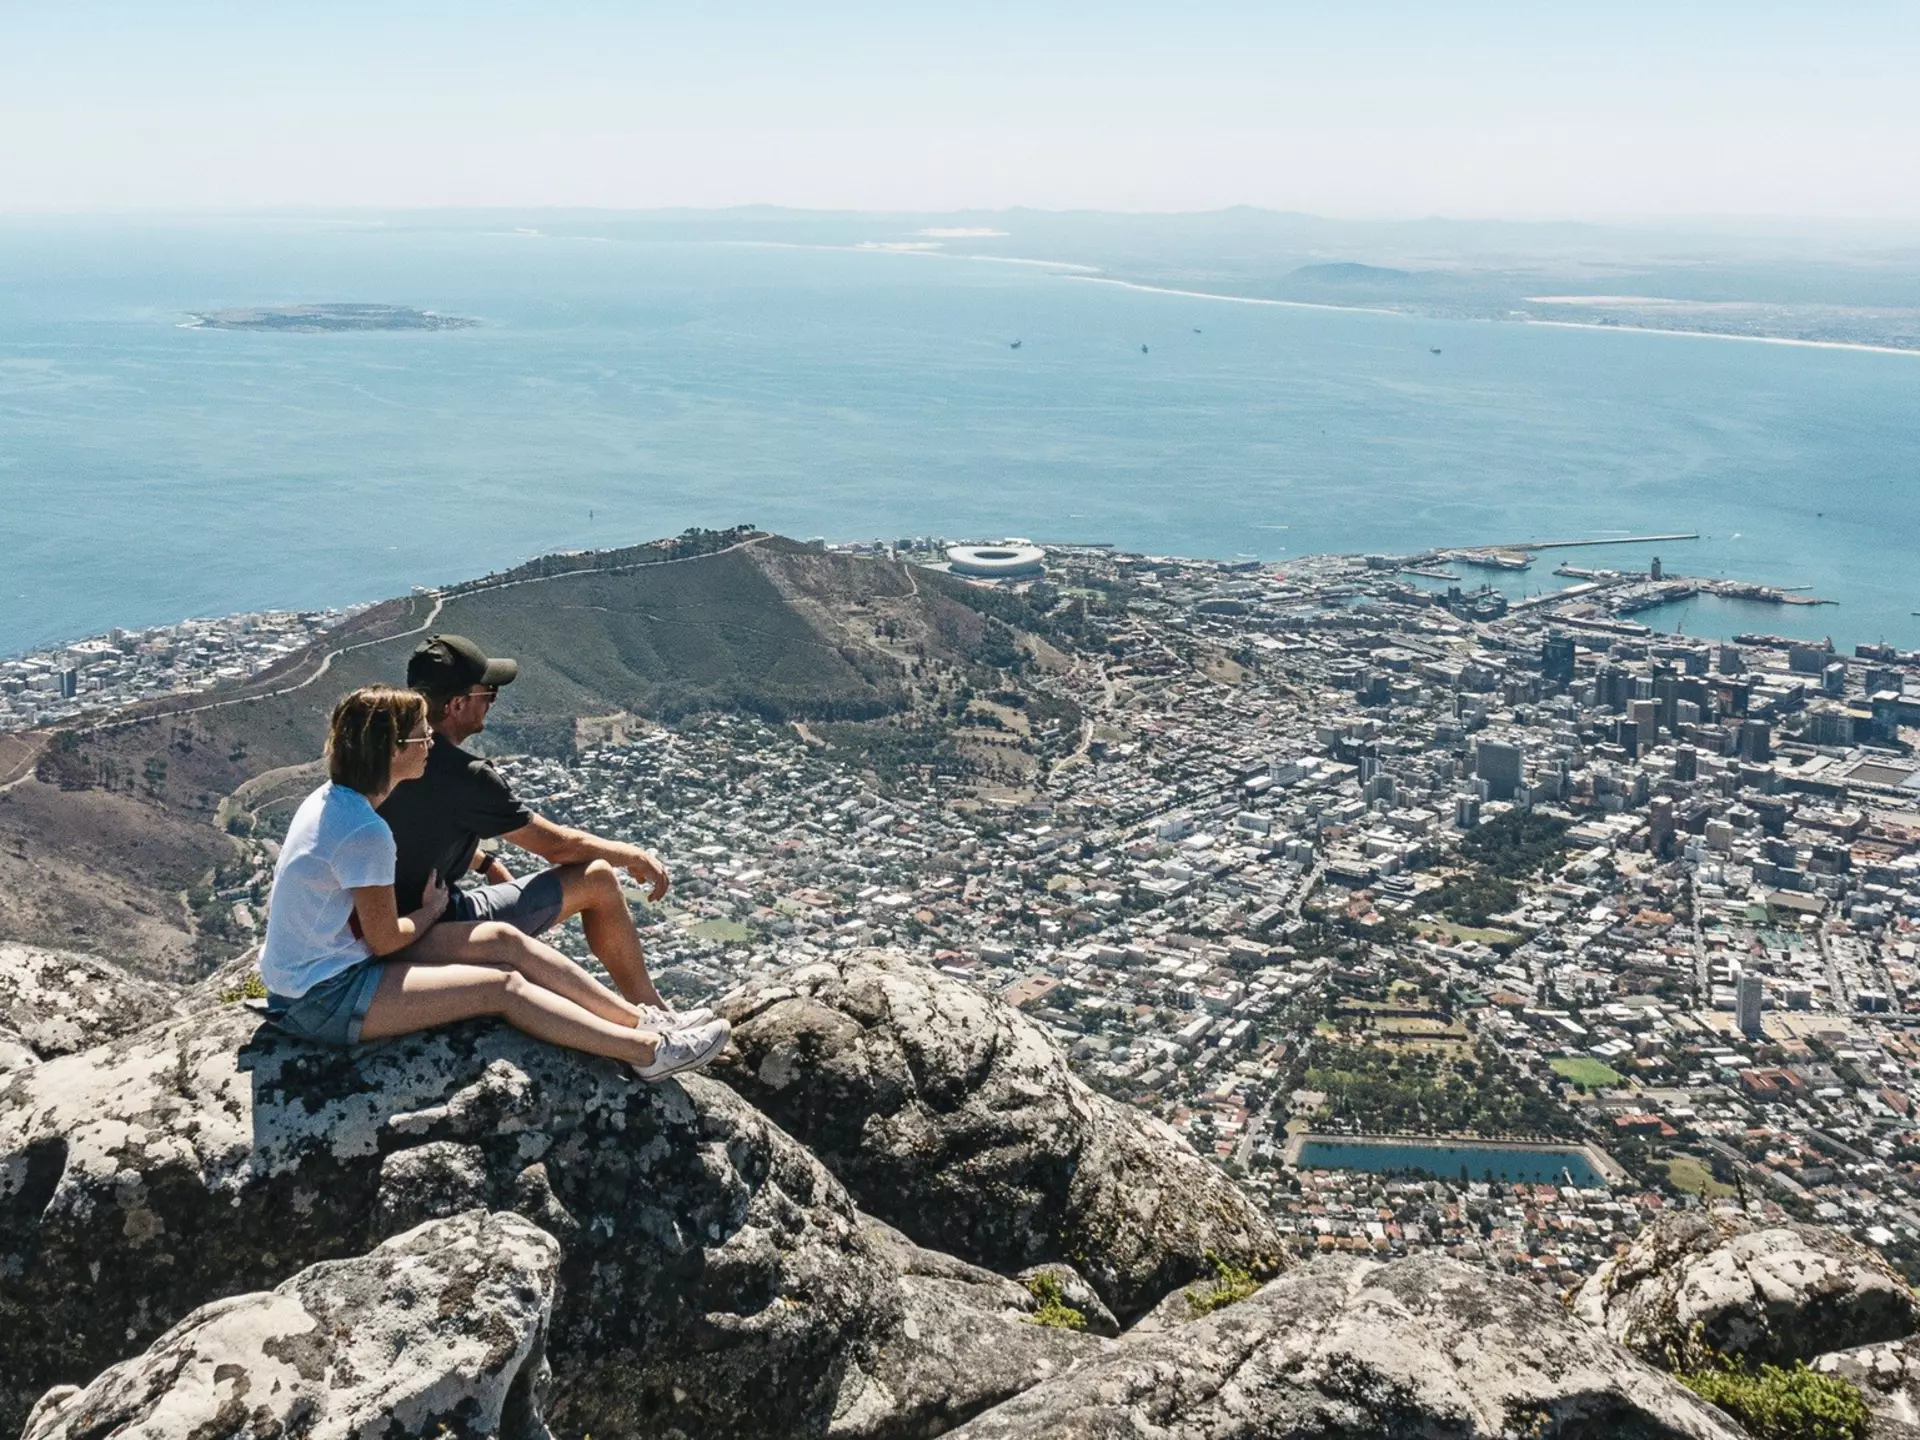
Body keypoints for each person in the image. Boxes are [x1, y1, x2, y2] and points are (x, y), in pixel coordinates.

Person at [257, 684, 728, 1079]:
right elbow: (384, 942)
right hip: (323, 996)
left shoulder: (333, 799)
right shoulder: (364, 829)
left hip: (325, 966)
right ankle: (646, 1053)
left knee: (503, 938)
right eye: (423, 739)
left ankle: (642, 1019)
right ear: (394, 750)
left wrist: (469, 873)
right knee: (500, 988)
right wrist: (432, 911)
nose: (430, 747)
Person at [377, 634, 709, 1022]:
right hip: (433, 927)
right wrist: (631, 855)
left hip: (379, 927)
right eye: (488, 692)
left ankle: (649, 1013)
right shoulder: (467, 776)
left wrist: (484, 863)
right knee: (598, 879)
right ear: (456, 704)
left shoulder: (383, 752)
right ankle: (652, 1014)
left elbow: (419, 833)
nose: (493, 701)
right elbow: (557, 847)